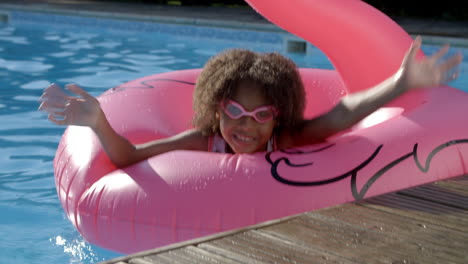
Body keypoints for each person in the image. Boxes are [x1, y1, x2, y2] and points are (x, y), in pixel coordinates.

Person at [39, 36, 462, 168]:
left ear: (277, 115)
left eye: (262, 115)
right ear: (217, 108)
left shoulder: (288, 139)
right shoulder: (205, 141)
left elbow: (342, 115)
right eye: (235, 112)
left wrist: (400, 83)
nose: (247, 126)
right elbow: (130, 156)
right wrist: (97, 121)